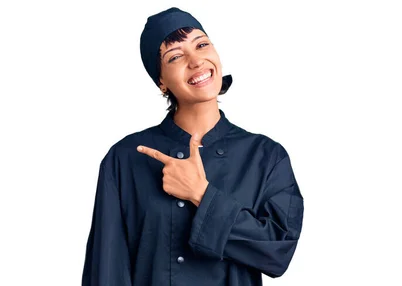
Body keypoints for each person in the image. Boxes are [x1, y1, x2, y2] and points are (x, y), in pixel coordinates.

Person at [81, 7, 304, 286]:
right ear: (161, 81)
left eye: (201, 44)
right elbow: (107, 270)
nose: (196, 60)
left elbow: (278, 252)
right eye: (175, 56)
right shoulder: (125, 158)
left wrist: (201, 194)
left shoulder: (266, 157)